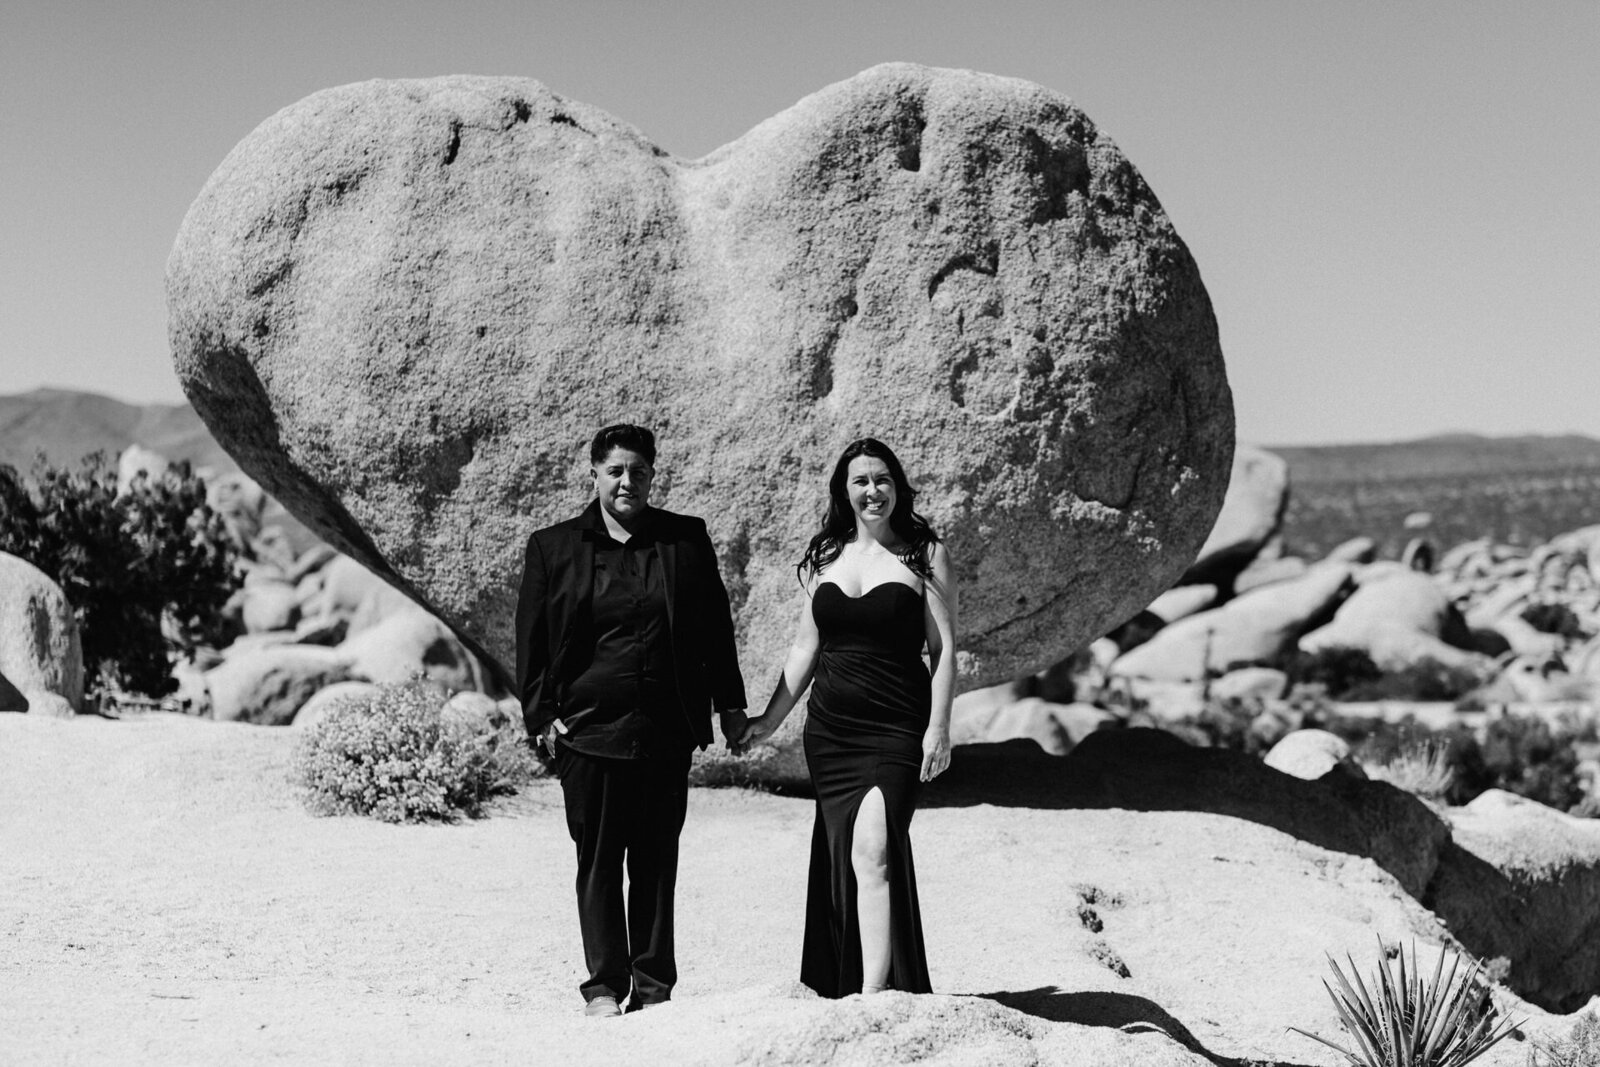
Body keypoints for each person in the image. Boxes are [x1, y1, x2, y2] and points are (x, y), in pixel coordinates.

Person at [514, 424, 749, 1018]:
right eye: (616, 470)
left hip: (665, 729)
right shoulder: (553, 546)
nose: (627, 481)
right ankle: (603, 987)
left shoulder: (684, 539)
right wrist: (542, 715)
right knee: (597, 864)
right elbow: (532, 640)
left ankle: (653, 986)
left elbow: (715, 630)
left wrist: (730, 705)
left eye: (638, 471)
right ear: (593, 473)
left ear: (652, 475)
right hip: (588, 734)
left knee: (655, 862)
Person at [738, 437, 957, 997]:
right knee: (846, 856)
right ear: (844, 490)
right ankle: (853, 981)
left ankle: (875, 993)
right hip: (831, 732)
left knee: (875, 851)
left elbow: (945, 649)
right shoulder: (825, 556)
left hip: (897, 727)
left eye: (882, 479)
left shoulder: (924, 554)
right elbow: (804, 651)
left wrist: (938, 728)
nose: (872, 490)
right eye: (860, 481)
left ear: (897, 487)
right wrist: (769, 719)